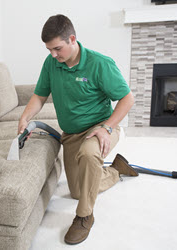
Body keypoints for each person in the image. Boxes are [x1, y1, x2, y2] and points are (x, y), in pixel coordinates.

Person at [18, 14, 138, 245]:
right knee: (77, 191)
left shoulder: (99, 63)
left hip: (99, 128)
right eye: (49, 50)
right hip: (71, 135)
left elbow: (127, 98)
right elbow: (40, 96)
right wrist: (25, 117)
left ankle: (84, 217)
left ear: (72, 39)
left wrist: (106, 127)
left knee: (89, 154)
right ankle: (115, 170)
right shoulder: (51, 63)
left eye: (57, 48)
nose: (53, 55)